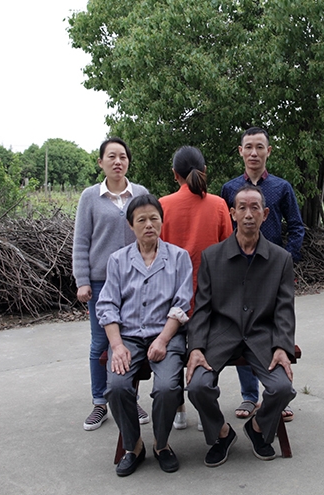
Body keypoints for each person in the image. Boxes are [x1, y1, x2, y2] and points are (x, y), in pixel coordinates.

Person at [186, 184, 297, 466]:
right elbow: (202, 308)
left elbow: (284, 309)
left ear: (266, 214)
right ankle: (222, 434)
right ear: (232, 213)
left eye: (255, 208)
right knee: (198, 386)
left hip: (261, 335)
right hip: (221, 335)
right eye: (242, 208)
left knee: (282, 388)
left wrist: (283, 346)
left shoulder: (281, 259)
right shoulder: (213, 256)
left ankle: (258, 427)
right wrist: (196, 347)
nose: (249, 214)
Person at [96, 194, 193, 476]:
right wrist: (117, 345)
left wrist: (163, 340)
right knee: (116, 386)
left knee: (167, 388)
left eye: (154, 218)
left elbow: (182, 303)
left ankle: (161, 444)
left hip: (166, 335)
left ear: (162, 221)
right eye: (142, 220)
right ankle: (133, 446)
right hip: (127, 336)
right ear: (131, 225)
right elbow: (107, 305)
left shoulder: (178, 257)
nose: (149, 225)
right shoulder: (117, 261)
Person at [220, 127, 304, 422]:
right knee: (242, 329)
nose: (254, 153)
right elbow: (223, 230)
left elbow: (296, 226)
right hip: (238, 273)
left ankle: (277, 395)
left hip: (272, 272)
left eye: (260, 147)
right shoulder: (230, 189)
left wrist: (286, 261)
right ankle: (249, 394)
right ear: (240, 151)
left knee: (273, 328)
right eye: (248, 147)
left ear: (269, 151)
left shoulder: (282, 188)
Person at [72, 138, 150, 431]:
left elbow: (151, 230)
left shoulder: (139, 193)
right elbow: (81, 242)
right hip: (100, 280)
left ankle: (129, 396)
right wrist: (82, 280)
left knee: (131, 340)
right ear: (101, 162)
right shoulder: (90, 197)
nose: (118, 162)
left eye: (123, 157)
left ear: (128, 161)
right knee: (101, 342)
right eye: (111, 157)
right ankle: (99, 402)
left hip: (135, 279)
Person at [159, 146, 233, 431]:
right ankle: (206, 411)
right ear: (204, 171)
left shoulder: (162, 205)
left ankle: (178, 411)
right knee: (207, 352)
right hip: (209, 298)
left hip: (172, 299)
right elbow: (228, 249)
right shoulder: (217, 205)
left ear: (175, 174)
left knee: (174, 355)